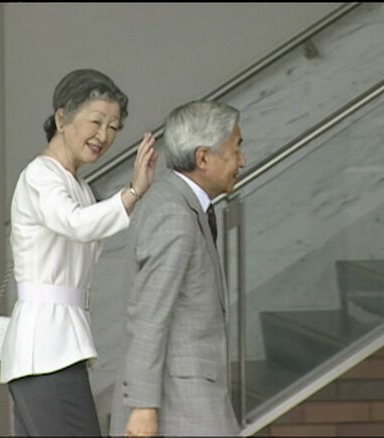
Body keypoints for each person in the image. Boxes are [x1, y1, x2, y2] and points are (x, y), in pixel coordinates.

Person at [0, 68, 158, 436]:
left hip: (57, 345)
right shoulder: (41, 175)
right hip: (46, 348)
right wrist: (133, 192)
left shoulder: (78, 184)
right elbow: (75, 223)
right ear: (61, 117)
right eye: (96, 121)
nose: (104, 136)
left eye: (114, 127)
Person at [109, 100, 246, 436]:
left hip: (187, 400)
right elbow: (150, 315)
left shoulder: (176, 203)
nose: (242, 161)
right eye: (235, 149)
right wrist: (143, 407)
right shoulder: (174, 214)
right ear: (203, 158)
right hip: (180, 407)